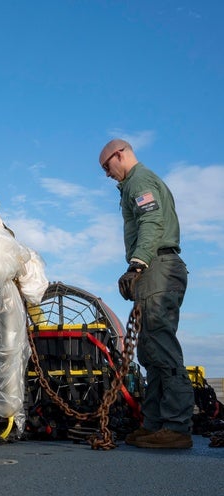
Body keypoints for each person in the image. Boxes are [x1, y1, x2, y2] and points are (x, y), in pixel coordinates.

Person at [98, 138, 194, 449]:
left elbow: (151, 221)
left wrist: (137, 265)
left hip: (158, 266)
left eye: (106, 166)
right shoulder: (133, 185)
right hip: (155, 267)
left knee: (161, 345)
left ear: (120, 154)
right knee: (149, 348)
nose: (107, 174)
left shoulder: (139, 180)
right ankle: (154, 423)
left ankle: (177, 427)